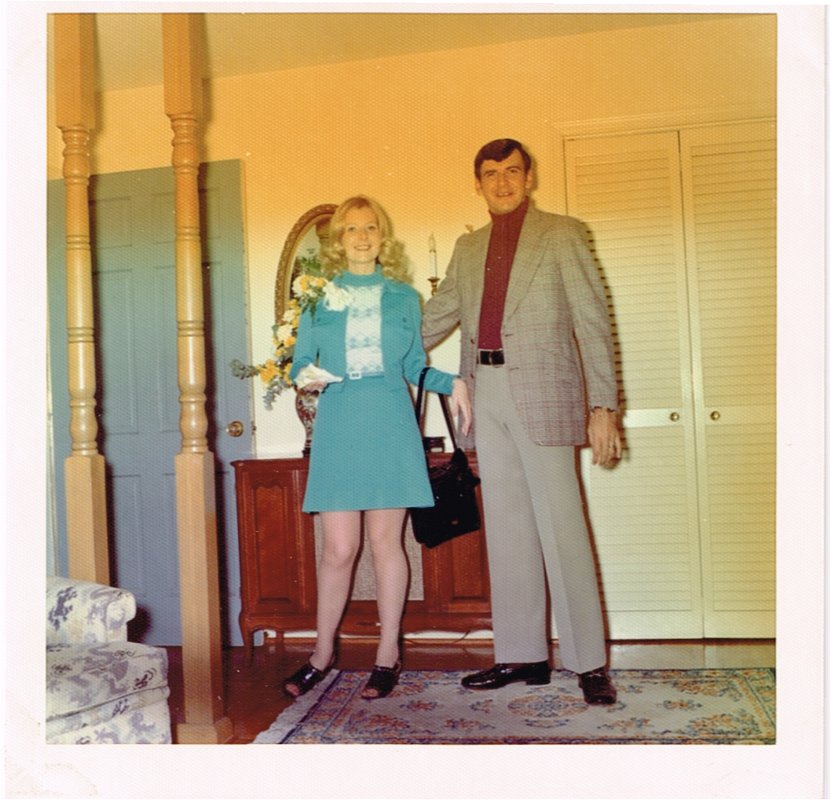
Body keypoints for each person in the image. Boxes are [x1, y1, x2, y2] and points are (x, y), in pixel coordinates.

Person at [421, 139, 621, 705]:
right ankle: (522, 654)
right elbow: (435, 318)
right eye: (491, 174)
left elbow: (592, 321)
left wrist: (603, 406)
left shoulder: (562, 234)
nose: (502, 182)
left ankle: (588, 662)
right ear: (478, 184)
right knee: (508, 530)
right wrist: (365, 352)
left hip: (546, 394)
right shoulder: (467, 248)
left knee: (563, 526)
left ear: (529, 178)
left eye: (512, 171)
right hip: (484, 392)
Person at [282, 195, 472, 701]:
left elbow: (413, 367)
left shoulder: (404, 297)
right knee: (338, 550)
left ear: (382, 237)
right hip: (340, 424)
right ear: (337, 240)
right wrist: (308, 376)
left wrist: (453, 382)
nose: (362, 237)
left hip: (389, 422)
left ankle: (388, 653)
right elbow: (299, 363)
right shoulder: (318, 298)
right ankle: (322, 654)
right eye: (351, 229)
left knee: (388, 544)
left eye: (370, 227)